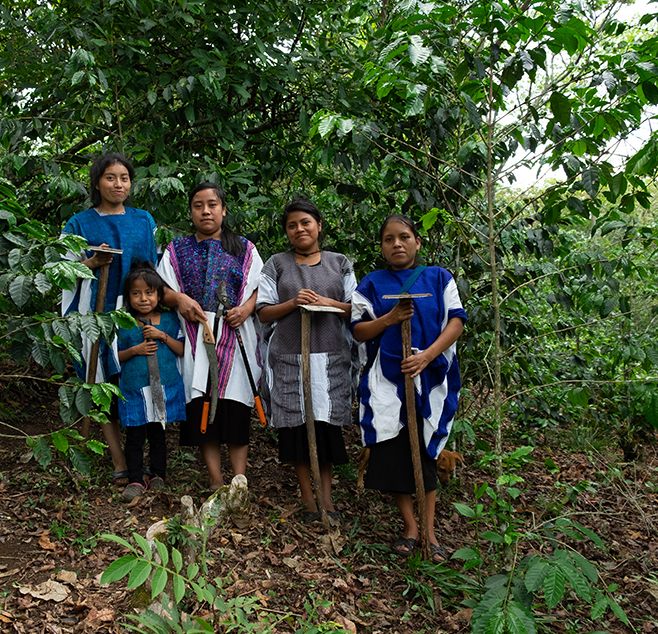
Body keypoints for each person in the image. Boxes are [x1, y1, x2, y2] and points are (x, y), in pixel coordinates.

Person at [351, 214, 466, 561]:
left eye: (404, 237)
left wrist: (427, 356)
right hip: (387, 382)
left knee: (427, 454)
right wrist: (389, 319)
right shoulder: (372, 283)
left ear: (417, 241)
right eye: (389, 239)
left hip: (430, 379)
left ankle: (429, 532)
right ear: (382, 246)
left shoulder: (439, 277)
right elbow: (358, 330)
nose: (397, 244)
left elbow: (456, 321)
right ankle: (410, 528)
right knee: (394, 456)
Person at [158, 182, 264, 491]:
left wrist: (246, 309)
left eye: (212, 205)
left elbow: (262, 287)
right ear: (191, 212)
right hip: (195, 336)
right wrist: (180, 299)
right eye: (198, 205)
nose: (206, 211)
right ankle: (215, 478)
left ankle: (239, 479)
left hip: (235, 334)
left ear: (223, 210)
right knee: (203, 404)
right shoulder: (176, 250)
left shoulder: (244, 248)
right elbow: (160, 288)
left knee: (235, 406)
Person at [60, 153, 158, 486]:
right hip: (95, 313)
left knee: (135, 379)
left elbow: (153, 266)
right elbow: (60, 270)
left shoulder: (143, 220)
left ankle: (143, 457)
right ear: (97, 182)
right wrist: (92, 262)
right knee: (100, 380)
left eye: (124, 178)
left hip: (133, 312)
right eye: (110, 177)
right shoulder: (79, 224)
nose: (118, 184)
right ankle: (118, 458)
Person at [256, 196, 354, 522]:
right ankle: (309, 502)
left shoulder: (339, 263)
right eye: (292, 225)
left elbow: (356, 309)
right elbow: (263, 312)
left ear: (319, 225)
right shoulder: (277, 264)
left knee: (326, 430)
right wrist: (293, 303)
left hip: (330, 359)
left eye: (306, 222)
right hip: (288, 359)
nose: (299, 229)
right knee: (296, 431)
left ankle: (328, 501)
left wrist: (329, 303)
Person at [116, 261, 186, 502]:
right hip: (134, 388)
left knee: (158, 435)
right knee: (135, 436)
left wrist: (161, 336)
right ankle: (135, 479)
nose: (143, 299)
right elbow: (113, 358)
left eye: (149, 292)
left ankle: (158, 475)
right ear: (128, 296)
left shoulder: (170, 320)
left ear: (159, 295)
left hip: (163, 387)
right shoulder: (123, 322)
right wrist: (134, 350)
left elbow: (182, 349)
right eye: (136, 293)